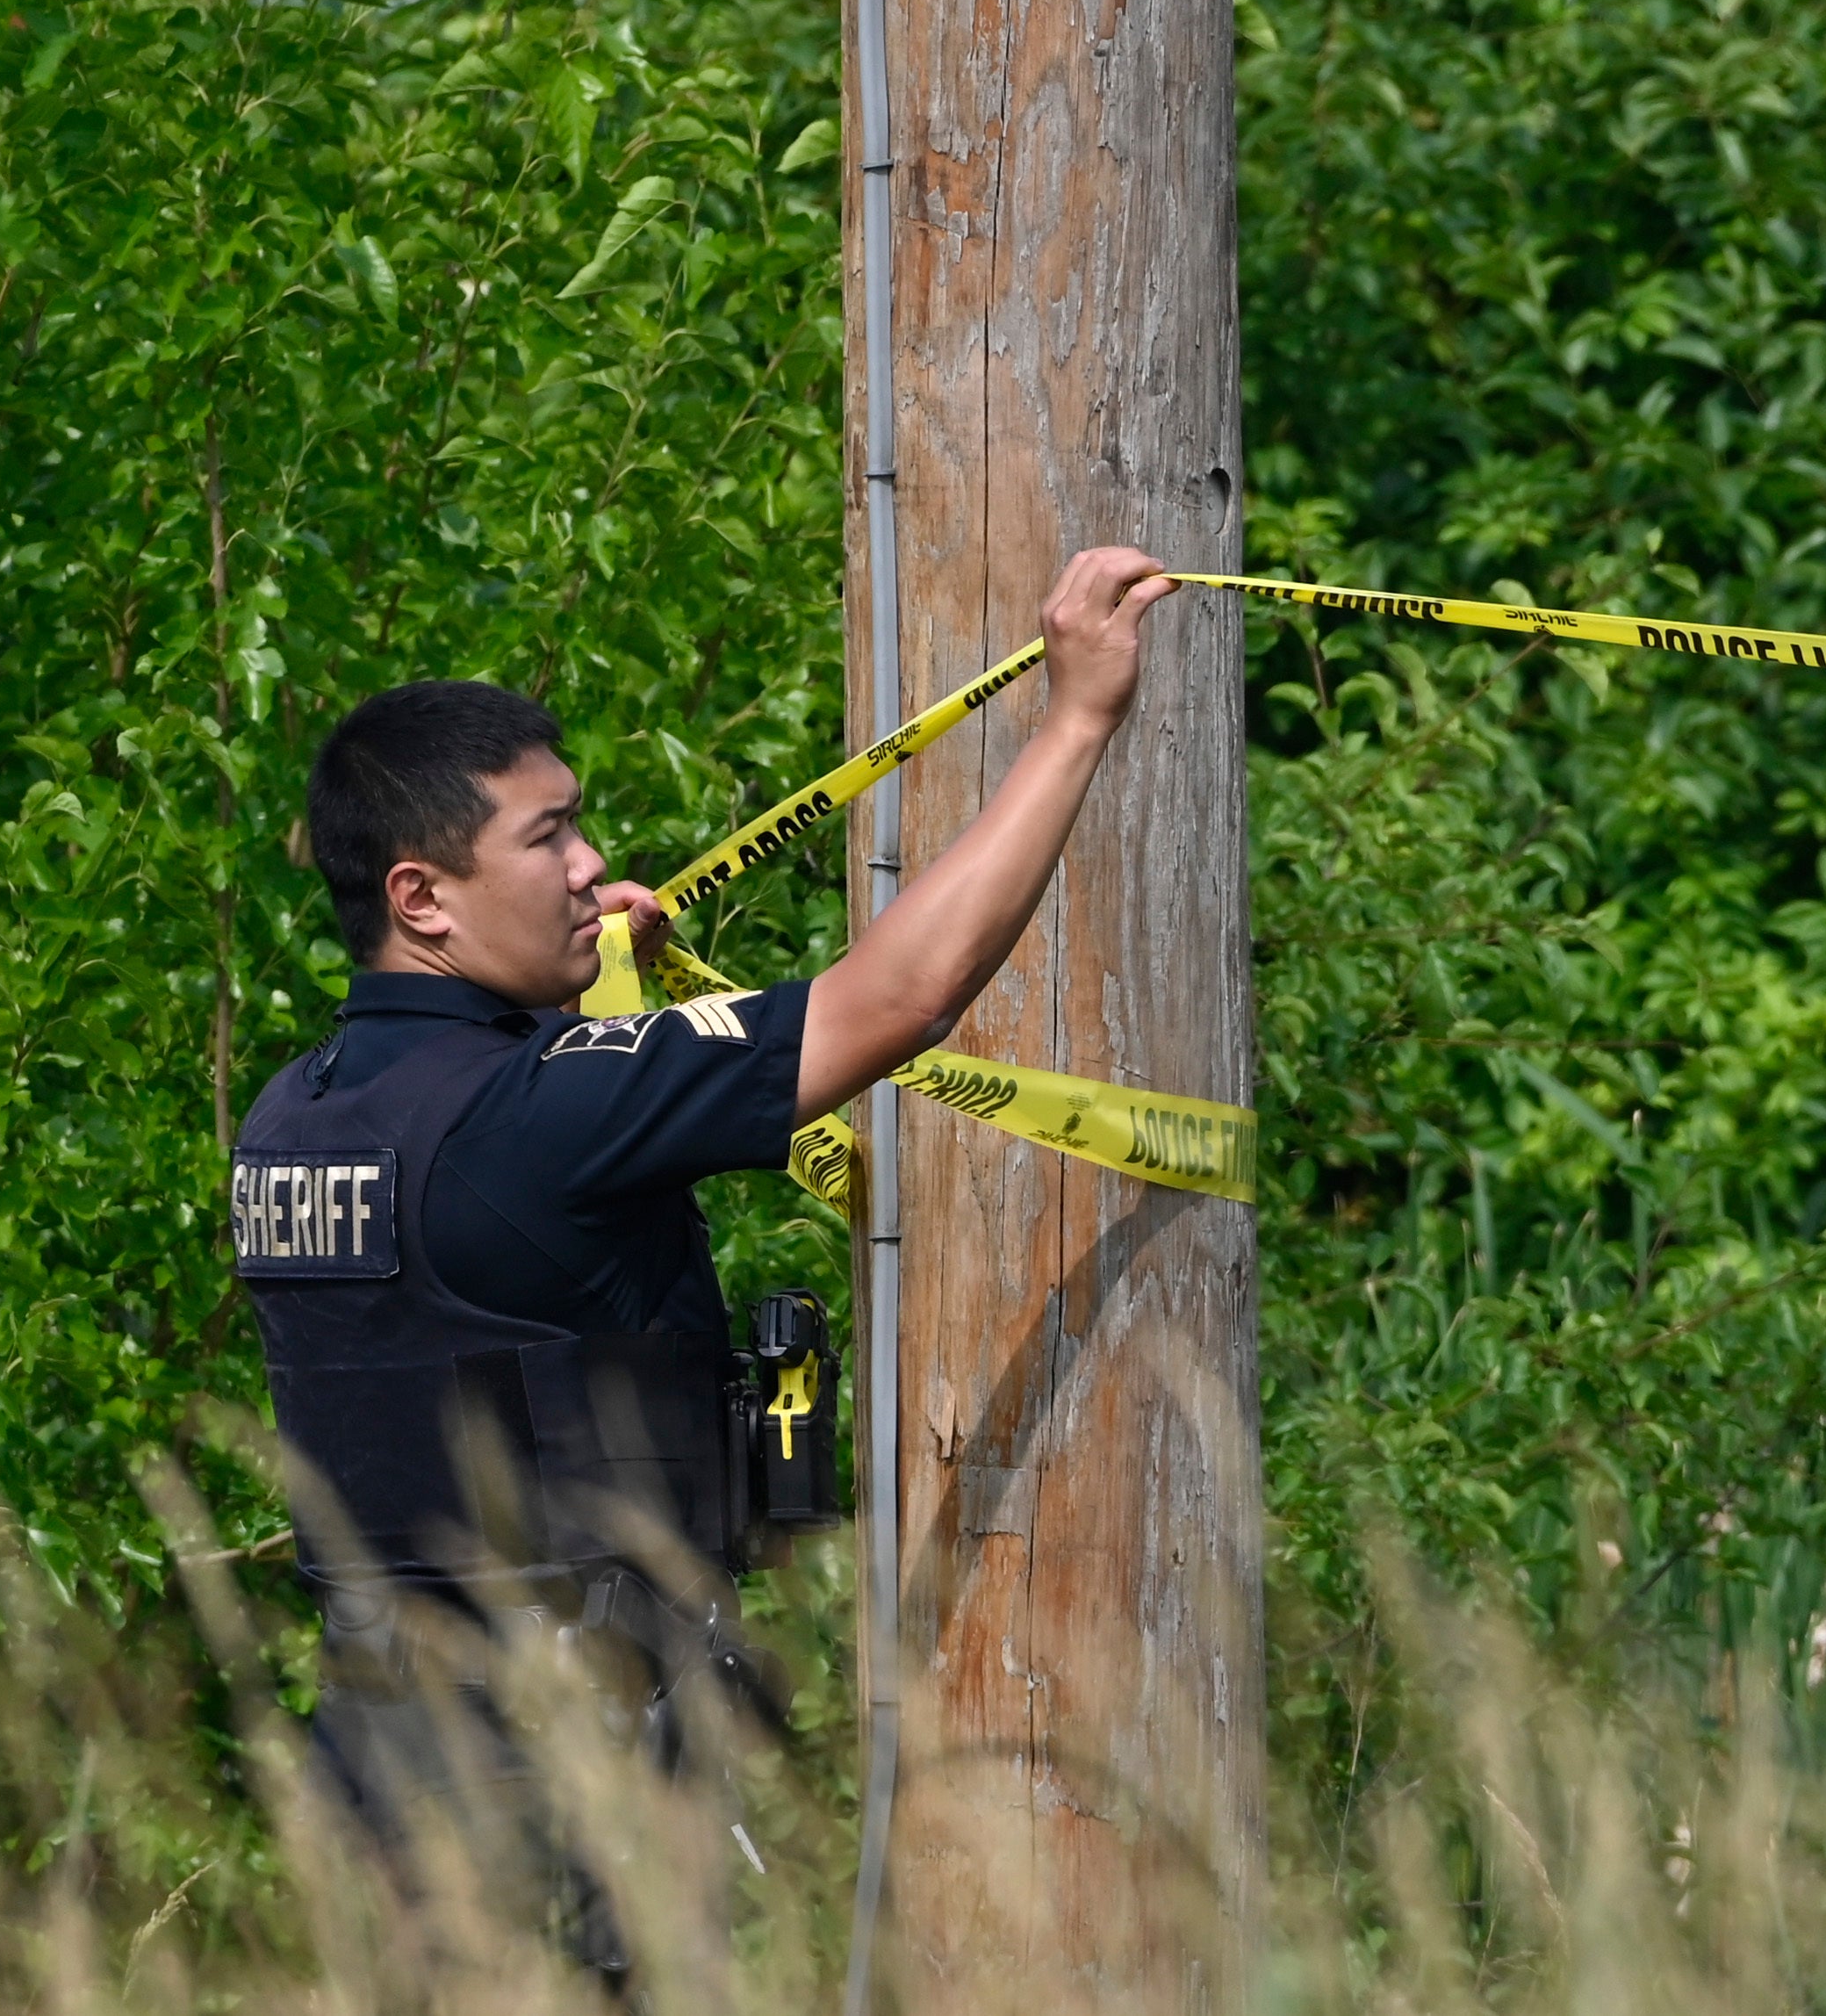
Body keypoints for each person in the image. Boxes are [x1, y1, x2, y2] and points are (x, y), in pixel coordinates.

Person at [227, 546, 1175, 1968]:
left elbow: (495, 1262)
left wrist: (594, 999)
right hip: (572, 1771)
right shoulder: (538, 1114)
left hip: (375, 1755)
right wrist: (1080, 717)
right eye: (547, 839)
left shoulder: (295, 1120)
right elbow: (900, 999)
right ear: (423, 898)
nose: (593, 865)